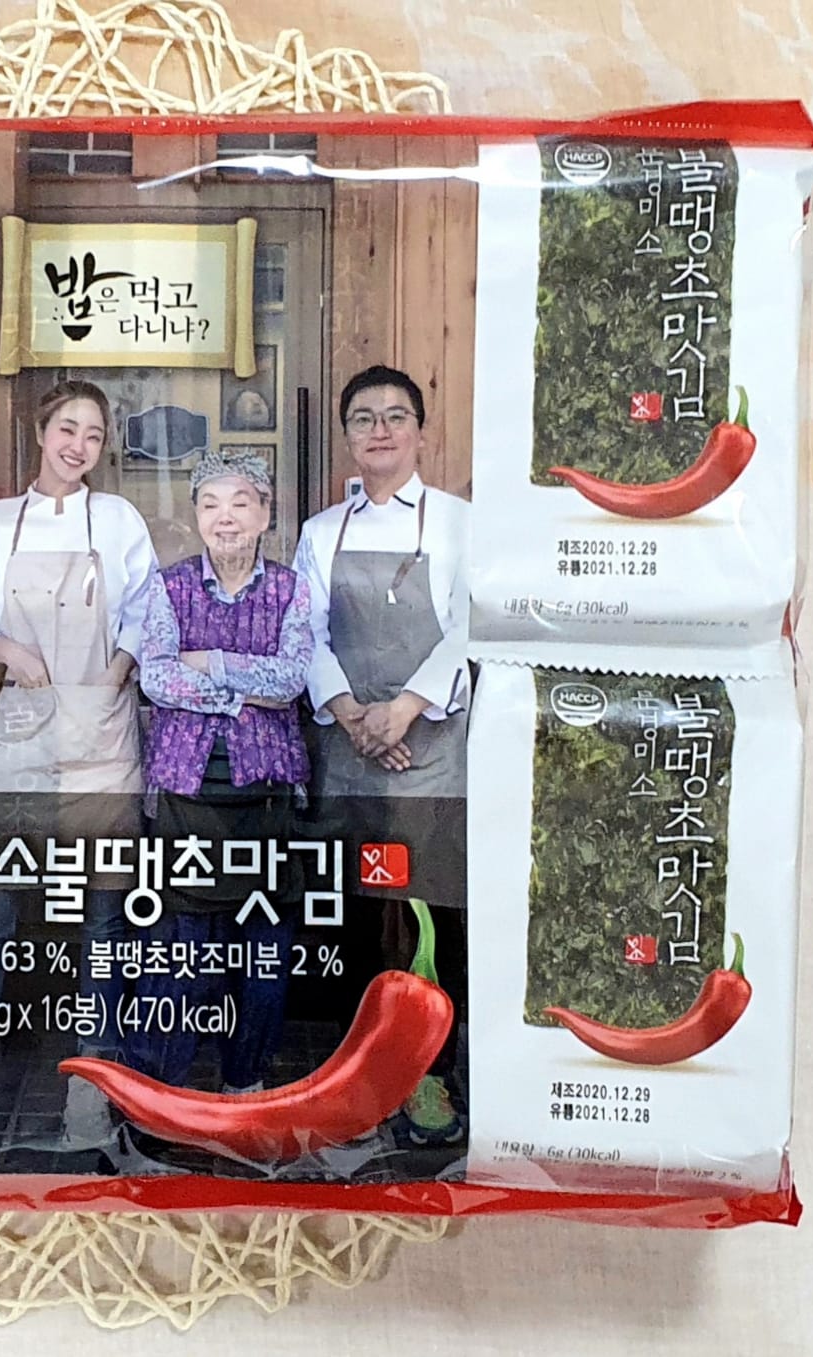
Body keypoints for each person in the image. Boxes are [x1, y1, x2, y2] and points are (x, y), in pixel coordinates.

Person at [0, 379, 156, 1154]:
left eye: (93, 434)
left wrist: (117, 669)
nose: (78, 445)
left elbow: (146, 609)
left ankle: (92, 1081)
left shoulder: (117, 520)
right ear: (39, 430)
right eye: (67, 428)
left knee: (103, 915)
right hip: (23, 732)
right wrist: (5, 650)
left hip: (102, 735)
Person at [293, 364, 469, 1147]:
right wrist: (351, 714)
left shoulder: (460, 523)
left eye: (397, 415)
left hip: (431, 750)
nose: (381, 430)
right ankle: (358, 1077)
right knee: (359, 918)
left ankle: (431, 1073)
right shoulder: (321, 532)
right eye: (364, 417)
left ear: (421, 432)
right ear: (348, 435)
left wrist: (403, 710)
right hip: (351, 748)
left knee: (434, 914)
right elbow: (305, 634)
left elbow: (468, 628)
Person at [128, 449, 313, 1102]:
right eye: (210, 504)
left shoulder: (290, 589)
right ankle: (161, 1095)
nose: (225, 517)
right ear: (196, 516)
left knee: (263, 949)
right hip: (186, 788)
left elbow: (291, 679)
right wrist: (239, 694)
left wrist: (208, 660)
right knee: (177, 951)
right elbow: (156, 675)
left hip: (267, 790)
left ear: (265, 513)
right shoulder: (169, 585)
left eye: (240, 503)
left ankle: (245, 1083)